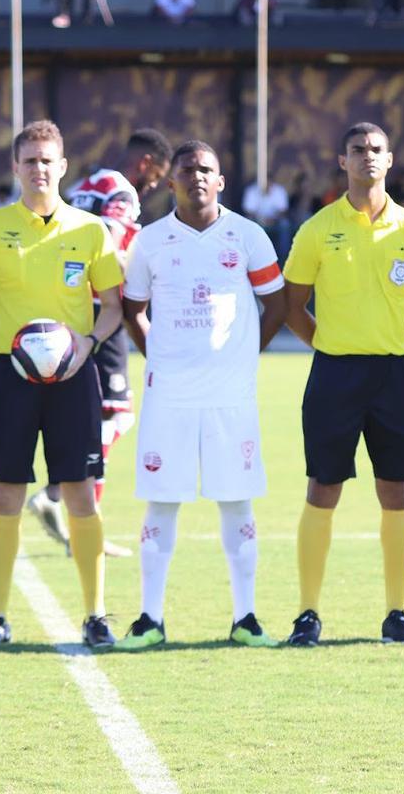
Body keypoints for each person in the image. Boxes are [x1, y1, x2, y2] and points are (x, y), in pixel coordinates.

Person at [115, 139, 287, 650]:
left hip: (230, 398)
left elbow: (276, 305)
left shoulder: (249, 236)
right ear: (171, 182)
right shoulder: (149, 241)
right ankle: (150, 619)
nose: (197, 177)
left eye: (206, 170)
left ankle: (246, 617)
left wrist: (243, 356)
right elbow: (133, 309)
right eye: (187, 170)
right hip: (168, 398)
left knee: (236, 502)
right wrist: (159, 357)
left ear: (221, 181)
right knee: (161, 503)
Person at [282, 122, 404, 647]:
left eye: (376, 150)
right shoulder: (317, 228)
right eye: (358, 150)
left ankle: (397, 614)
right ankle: (307, 614)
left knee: (396, 490)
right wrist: (331, 345)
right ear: (342, 160)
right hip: (334, 374)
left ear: (389, 160)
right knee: (322, 487)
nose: (367, 157)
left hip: (395, 374)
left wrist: (393, 340)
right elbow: (292, 306)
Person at [0, 120, 124, 648]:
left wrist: (87, 343)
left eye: (47, 160)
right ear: (16, 167)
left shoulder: (90, 230)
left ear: (63, 167)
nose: (39, 169)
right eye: (30, 160)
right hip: (8, 379)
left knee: (81, 495)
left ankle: (96, 615)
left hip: (73, 379)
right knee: (7, 495)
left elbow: (113, 307)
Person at [26, 127, 173, 555]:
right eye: (157, 176)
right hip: (100, 312)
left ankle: (61, 498)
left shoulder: (84, 186)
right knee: (113, 417)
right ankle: (69, 509)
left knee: (93, 414)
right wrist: (142, 270)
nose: (154, 186)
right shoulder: (123, 192)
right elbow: (105, 244)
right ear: (146, 163)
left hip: (69, 308)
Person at [242, 175, 291, 262]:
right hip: (257, 220)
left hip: (275, 221)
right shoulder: (252, 190)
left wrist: (273, 219)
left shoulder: (279, 190)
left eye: (269, 182)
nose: (267, 184)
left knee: (285, 224)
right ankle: (249, 256)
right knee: (246, 222)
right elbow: (248, 211)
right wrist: (260, 219)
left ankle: (284, 257)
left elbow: (283, 211)